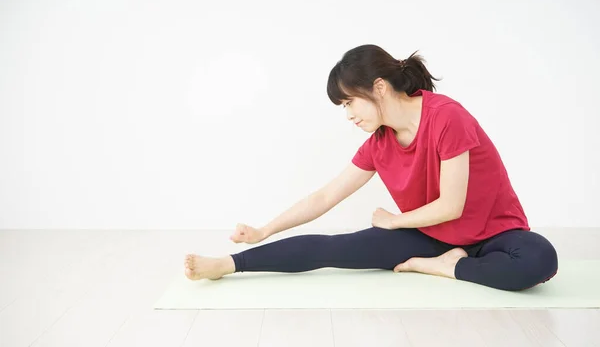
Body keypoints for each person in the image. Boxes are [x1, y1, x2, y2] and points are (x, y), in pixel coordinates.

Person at [183, 44, 558, 291]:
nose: (348, 115)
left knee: (541, 260)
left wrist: (394, 221)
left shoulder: (447, 118)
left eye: (349, 103)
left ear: (379, 87)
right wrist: (264, 230)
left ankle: (444, 267)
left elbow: (452, 206)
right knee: (332, 249)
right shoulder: (379, 143)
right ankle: (228, 265)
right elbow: (326, 195)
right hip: (429, 237)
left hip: (493, 234)